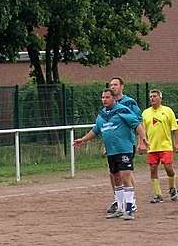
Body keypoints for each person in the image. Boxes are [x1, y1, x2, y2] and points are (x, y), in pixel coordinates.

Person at [73, 89, 148, 220]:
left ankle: (129, 210)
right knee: (116, 179)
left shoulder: (122, 110)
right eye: (102, 97)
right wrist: (83, 140)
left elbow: (137, 124)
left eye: (107, 97)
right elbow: (96, 130)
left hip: (124, 150)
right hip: (111, 152)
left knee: (125, 177)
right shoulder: (102, 114)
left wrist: (143, 138)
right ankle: (119, 208)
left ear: (114, 99)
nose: (104, 100)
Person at [106, 77, 142, 214]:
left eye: (115, 84)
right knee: (112, 174)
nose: (113, 87)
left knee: (126, 172)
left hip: (126, 143)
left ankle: (131, 202)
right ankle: (119, 200)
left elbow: (138, 121)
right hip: (113, 146)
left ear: (122, 86)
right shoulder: (109, 103)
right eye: (111, 85)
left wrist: (140, 141)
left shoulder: (129, 102)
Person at [141, 89, 178, 203]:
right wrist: (142, 143)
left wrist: (176, 143)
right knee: (153, 169)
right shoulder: (145, 113)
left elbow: (175, 128)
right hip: (152, 147)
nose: (152, 98)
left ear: (160, 98)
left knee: (168, 168)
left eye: (155, 96)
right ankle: (158, 194)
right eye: (151, 96)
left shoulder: (167, 111)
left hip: (166, 146)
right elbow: (141, 130)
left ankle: (172, 188)